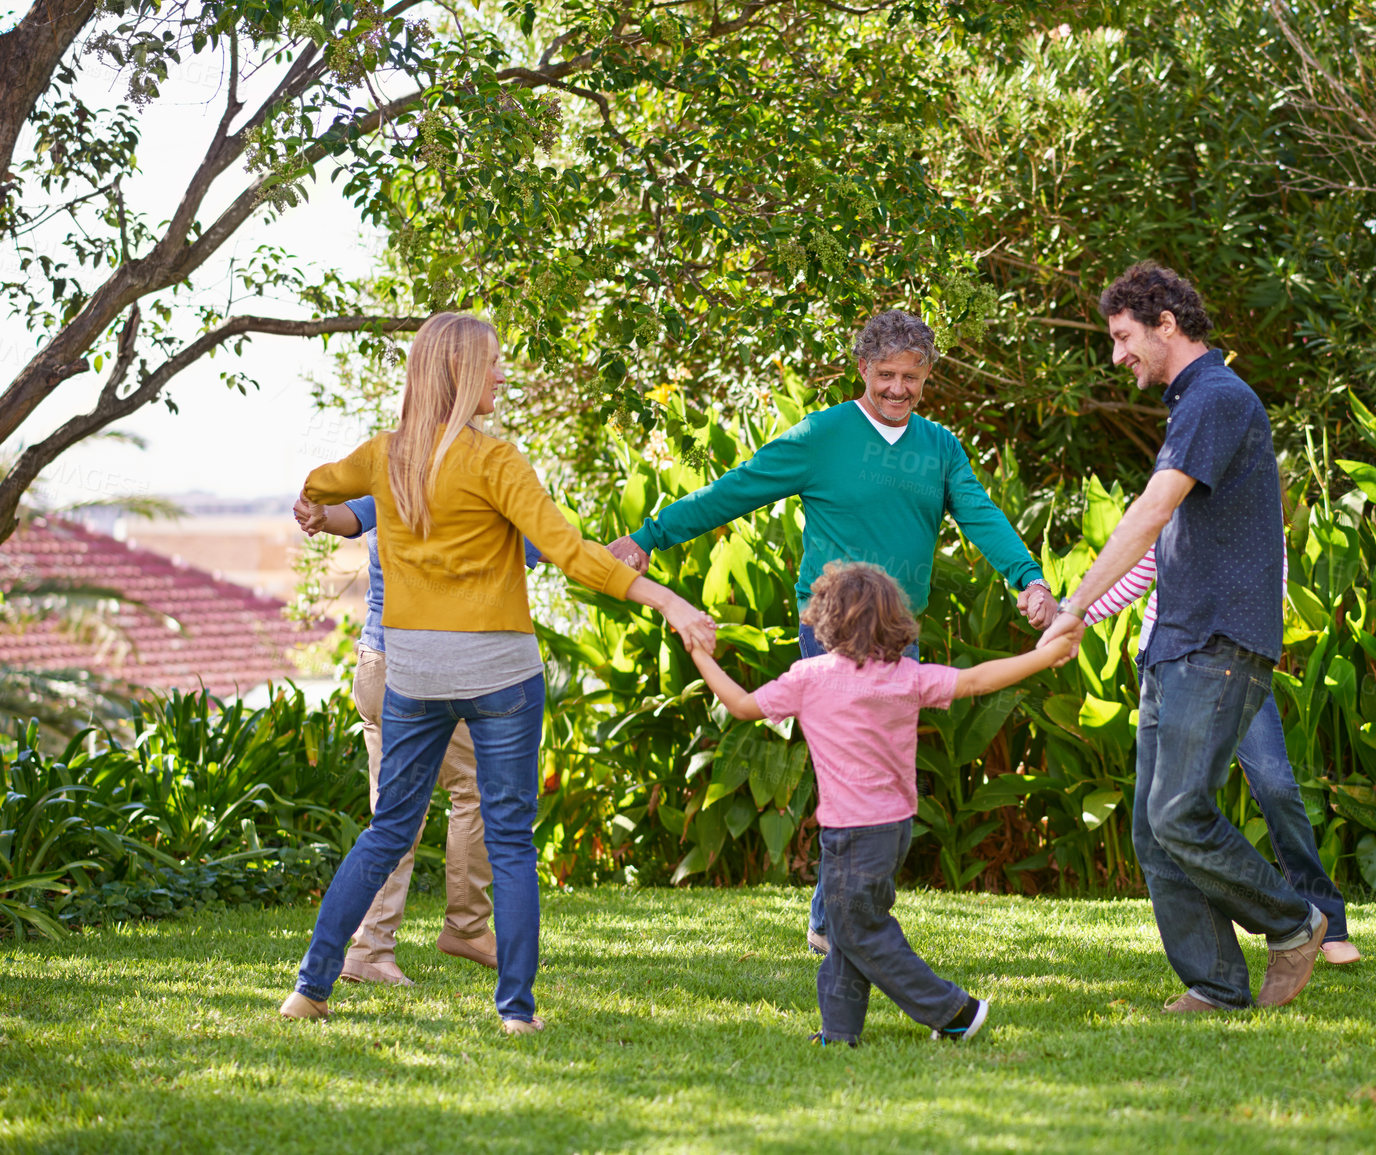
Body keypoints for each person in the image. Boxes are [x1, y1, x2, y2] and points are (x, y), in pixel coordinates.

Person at [278, 311, 715, 1033]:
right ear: (458, 375)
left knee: (388, 828)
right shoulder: (495, 461)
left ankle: (308, 989)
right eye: (492, 365)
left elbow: (320, 483)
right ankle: (515, 1010)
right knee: (509, 838)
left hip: (413, 675)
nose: (502, 377)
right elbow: (570, 551)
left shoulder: (384, 456)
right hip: (499, 678)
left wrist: (311, 504)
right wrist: (665, 598)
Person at [609, 310, 1058, 954]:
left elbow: (981, 516)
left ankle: (839, 914)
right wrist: (649, 537)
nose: (899, 388)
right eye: (886, 375)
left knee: (890, 779)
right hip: (834, 635)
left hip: (899, 636)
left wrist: (1029, 579)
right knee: (850, 774)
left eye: (912, 376)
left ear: (928, 376)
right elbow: (736, 490)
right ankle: (836, 921)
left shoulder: (940, 447)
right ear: (861, 370)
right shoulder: (822, 436)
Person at [1040, 262, 1325, 1013]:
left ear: (1165, 322)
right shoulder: (1194, 403)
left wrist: (1076, 604)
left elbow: (1150, 511)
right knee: (1152, 829)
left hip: (1220, 637)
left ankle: (1293, 921)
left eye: (1122, 336)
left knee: (1177, 812)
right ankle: (1217, 983)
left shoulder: (1218, 398)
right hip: (1176, 639)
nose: (1116, 355)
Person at [690, 561, 1074, 1045]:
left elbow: (743, 706)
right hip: (892, 830)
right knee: (848, 933)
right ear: (894, 619)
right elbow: (977, 680)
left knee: (857, 931)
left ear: (825, 619)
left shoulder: (808, 677)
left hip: (853, 832)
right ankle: (839, 1031)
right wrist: (1048, 655)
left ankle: (955, 1012)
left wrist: (703, 657)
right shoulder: (905, 676)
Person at [290, 494, 545, 984]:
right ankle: (466, 927)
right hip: (428, 667)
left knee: (393, 810)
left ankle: (371, 948)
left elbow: (347, 518)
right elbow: (536, 548)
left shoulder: (389, 475)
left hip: (376, 659)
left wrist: (320, 516)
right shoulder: (469, 487)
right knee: (472, 790)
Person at [1081, 545, 1360, 964]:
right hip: (1168, 665)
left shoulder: (1256, 507)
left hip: (1235, 662)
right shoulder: (1174, 492)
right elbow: (1138, 574)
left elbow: (1271, 591)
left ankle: (1326, 923)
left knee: (1276, 785)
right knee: (1171, 810)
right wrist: (1073, 617)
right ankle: (1220, 955)